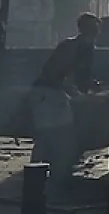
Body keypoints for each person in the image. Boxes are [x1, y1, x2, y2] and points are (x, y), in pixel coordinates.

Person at [28, 13, 100, 176]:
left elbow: (79, 76)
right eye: (93, 28)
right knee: (51, 136)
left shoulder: (82, 47)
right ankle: (39, 176)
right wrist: (74, 91)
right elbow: (55, 73)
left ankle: (48, 173)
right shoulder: (74, 47)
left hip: (52, 93)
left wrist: (91, 86)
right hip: (46, 93)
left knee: (56, 136)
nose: (96, 32)